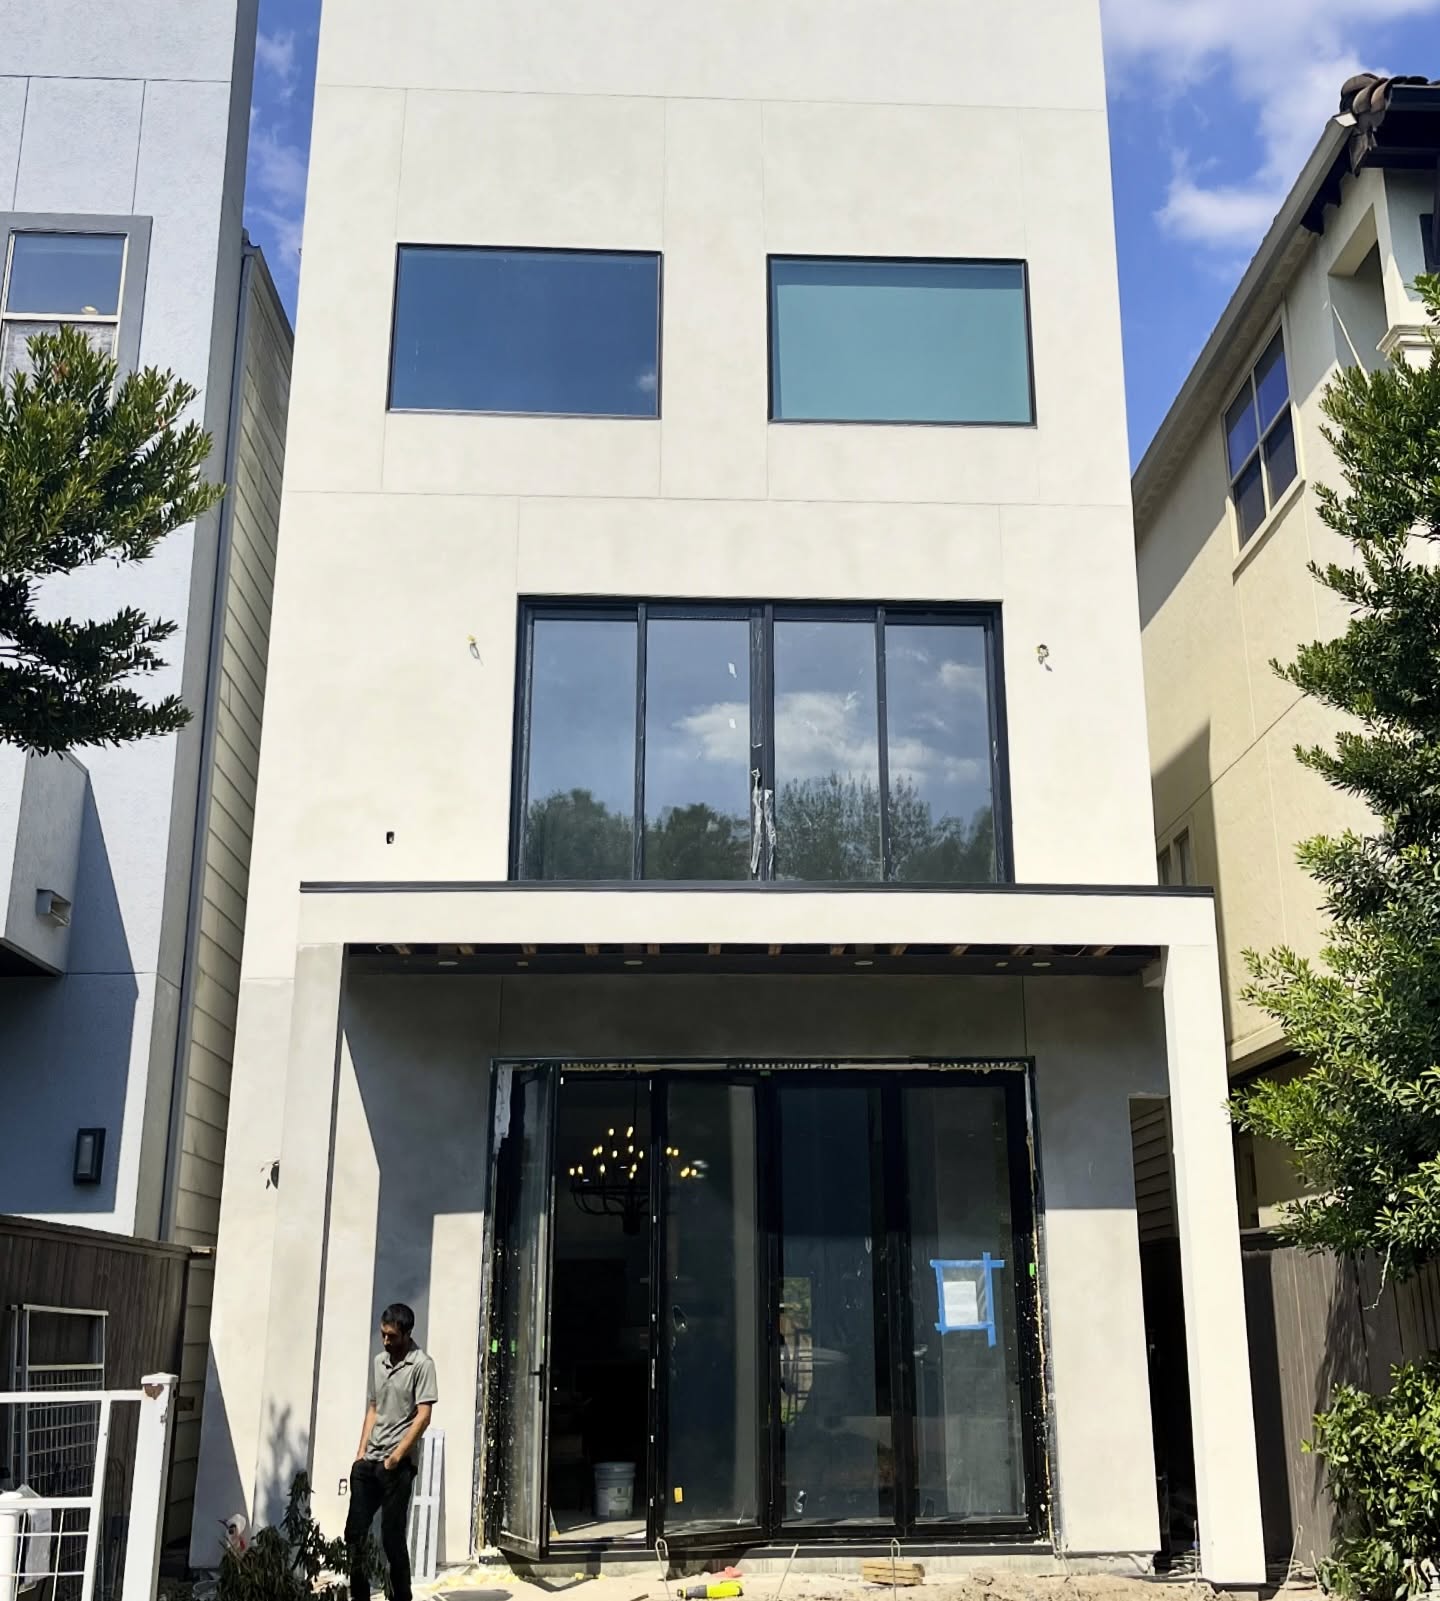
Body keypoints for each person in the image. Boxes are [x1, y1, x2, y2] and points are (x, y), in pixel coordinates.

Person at [345, 1302, 438, 1601]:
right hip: (369, 1462)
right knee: (355, 1535)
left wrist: (397, 1457)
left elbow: (423, 1416)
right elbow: (373, 1407)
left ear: (407, 1334)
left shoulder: (422, 1365)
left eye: (392, 1337)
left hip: (397, 1466)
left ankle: (401, 1597)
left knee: (391, 1537)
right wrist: (360, 1453)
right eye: (382, 1335)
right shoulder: (378, 1362)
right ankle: (359, 1596)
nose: (386, 1342)